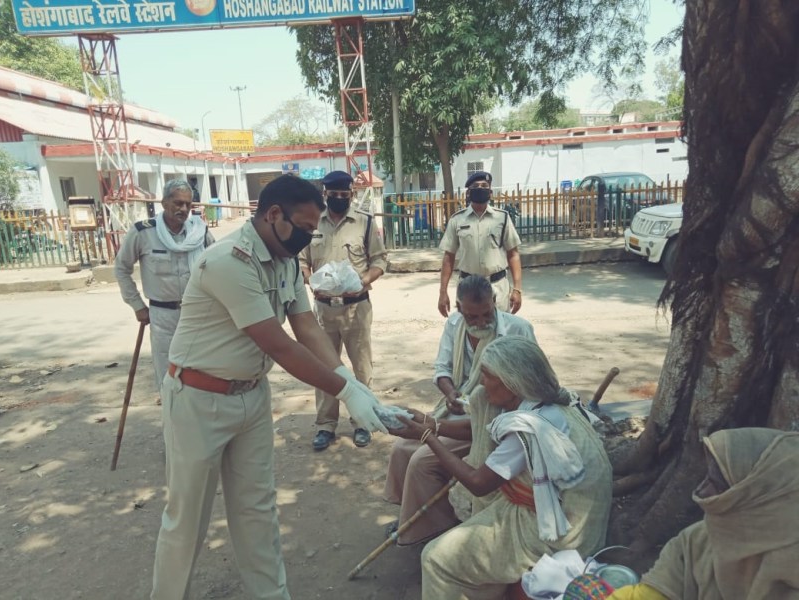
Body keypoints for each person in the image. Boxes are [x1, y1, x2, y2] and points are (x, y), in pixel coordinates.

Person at [150, 175, 387, 600]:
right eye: (303, 227)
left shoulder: (284, 261)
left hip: (252, 397)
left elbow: (307, 327)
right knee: (187, 519)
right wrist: (345, 392)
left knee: (257, 512)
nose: (307, 237)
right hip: (199, 400)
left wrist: (350, 380)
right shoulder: (228, 261)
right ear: (273, 214)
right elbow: (278, 344)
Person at [389, 336, 612, 600]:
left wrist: (428, 438)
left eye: (486, 374)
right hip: (557, 512)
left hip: (559, 531)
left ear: (511, 382)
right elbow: (479, 427)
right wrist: (433, 425)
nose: (481, 382)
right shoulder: (550, 404)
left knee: (435, 558)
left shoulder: (529, 426)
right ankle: (488, 581)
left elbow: (478, 483)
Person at [383, 275, 536, 545]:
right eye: (471, 317)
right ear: (458, 309)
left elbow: (529, 387)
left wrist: (432, 427)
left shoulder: (518, 329)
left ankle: (436, 533)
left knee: (422, 461)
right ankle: (414, 516)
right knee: (400, 449)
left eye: (486, 315)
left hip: (492, 421)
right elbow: (442, 370)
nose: (479, 323)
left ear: (495, 302)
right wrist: (451, 393)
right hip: (458, 410)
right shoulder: (454, 325)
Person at [607, 427, 799, 600]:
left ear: (757, 500)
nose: (701, 490)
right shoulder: (696, 542)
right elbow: (647, 596)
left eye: (716, 483)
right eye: (706, 477)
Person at [299, 170, 388, 451]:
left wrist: (364, 280)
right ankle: (326, 425)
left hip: (356, 307)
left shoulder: (364, 222)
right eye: (334, 195)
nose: (339, 199)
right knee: (325, 368)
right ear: (325, 195)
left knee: (362, 367)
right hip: (324, 311)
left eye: (345, 195)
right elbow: (301, 260)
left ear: (352, 194)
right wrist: (308, 277)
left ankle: (363, 422)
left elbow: (380, 260)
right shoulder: (313, 223)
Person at [114, 179, 214, 393]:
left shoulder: (200, 232)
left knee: (202, 371)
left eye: (188, 204)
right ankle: (172, 420)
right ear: (164, 203)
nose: (184, 209)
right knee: (169, 373)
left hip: (198, 313)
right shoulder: (143, 232)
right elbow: (121, 269)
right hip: (163, 317)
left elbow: (217, 265)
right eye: (178, 203)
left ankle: (198, 422)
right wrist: (137, 305)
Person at [438, 171, 523, 317]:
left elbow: (513, 254)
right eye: (476, 186)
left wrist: (517, 289)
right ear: (469, 193)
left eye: (484, 186)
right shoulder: (457, 220)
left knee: (500, 333)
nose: (480, 188)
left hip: (497, 287)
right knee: (469, 331)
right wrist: (443, 292)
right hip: (468, 288)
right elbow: (448, 257)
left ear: (490, 192)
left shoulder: (502, 218)